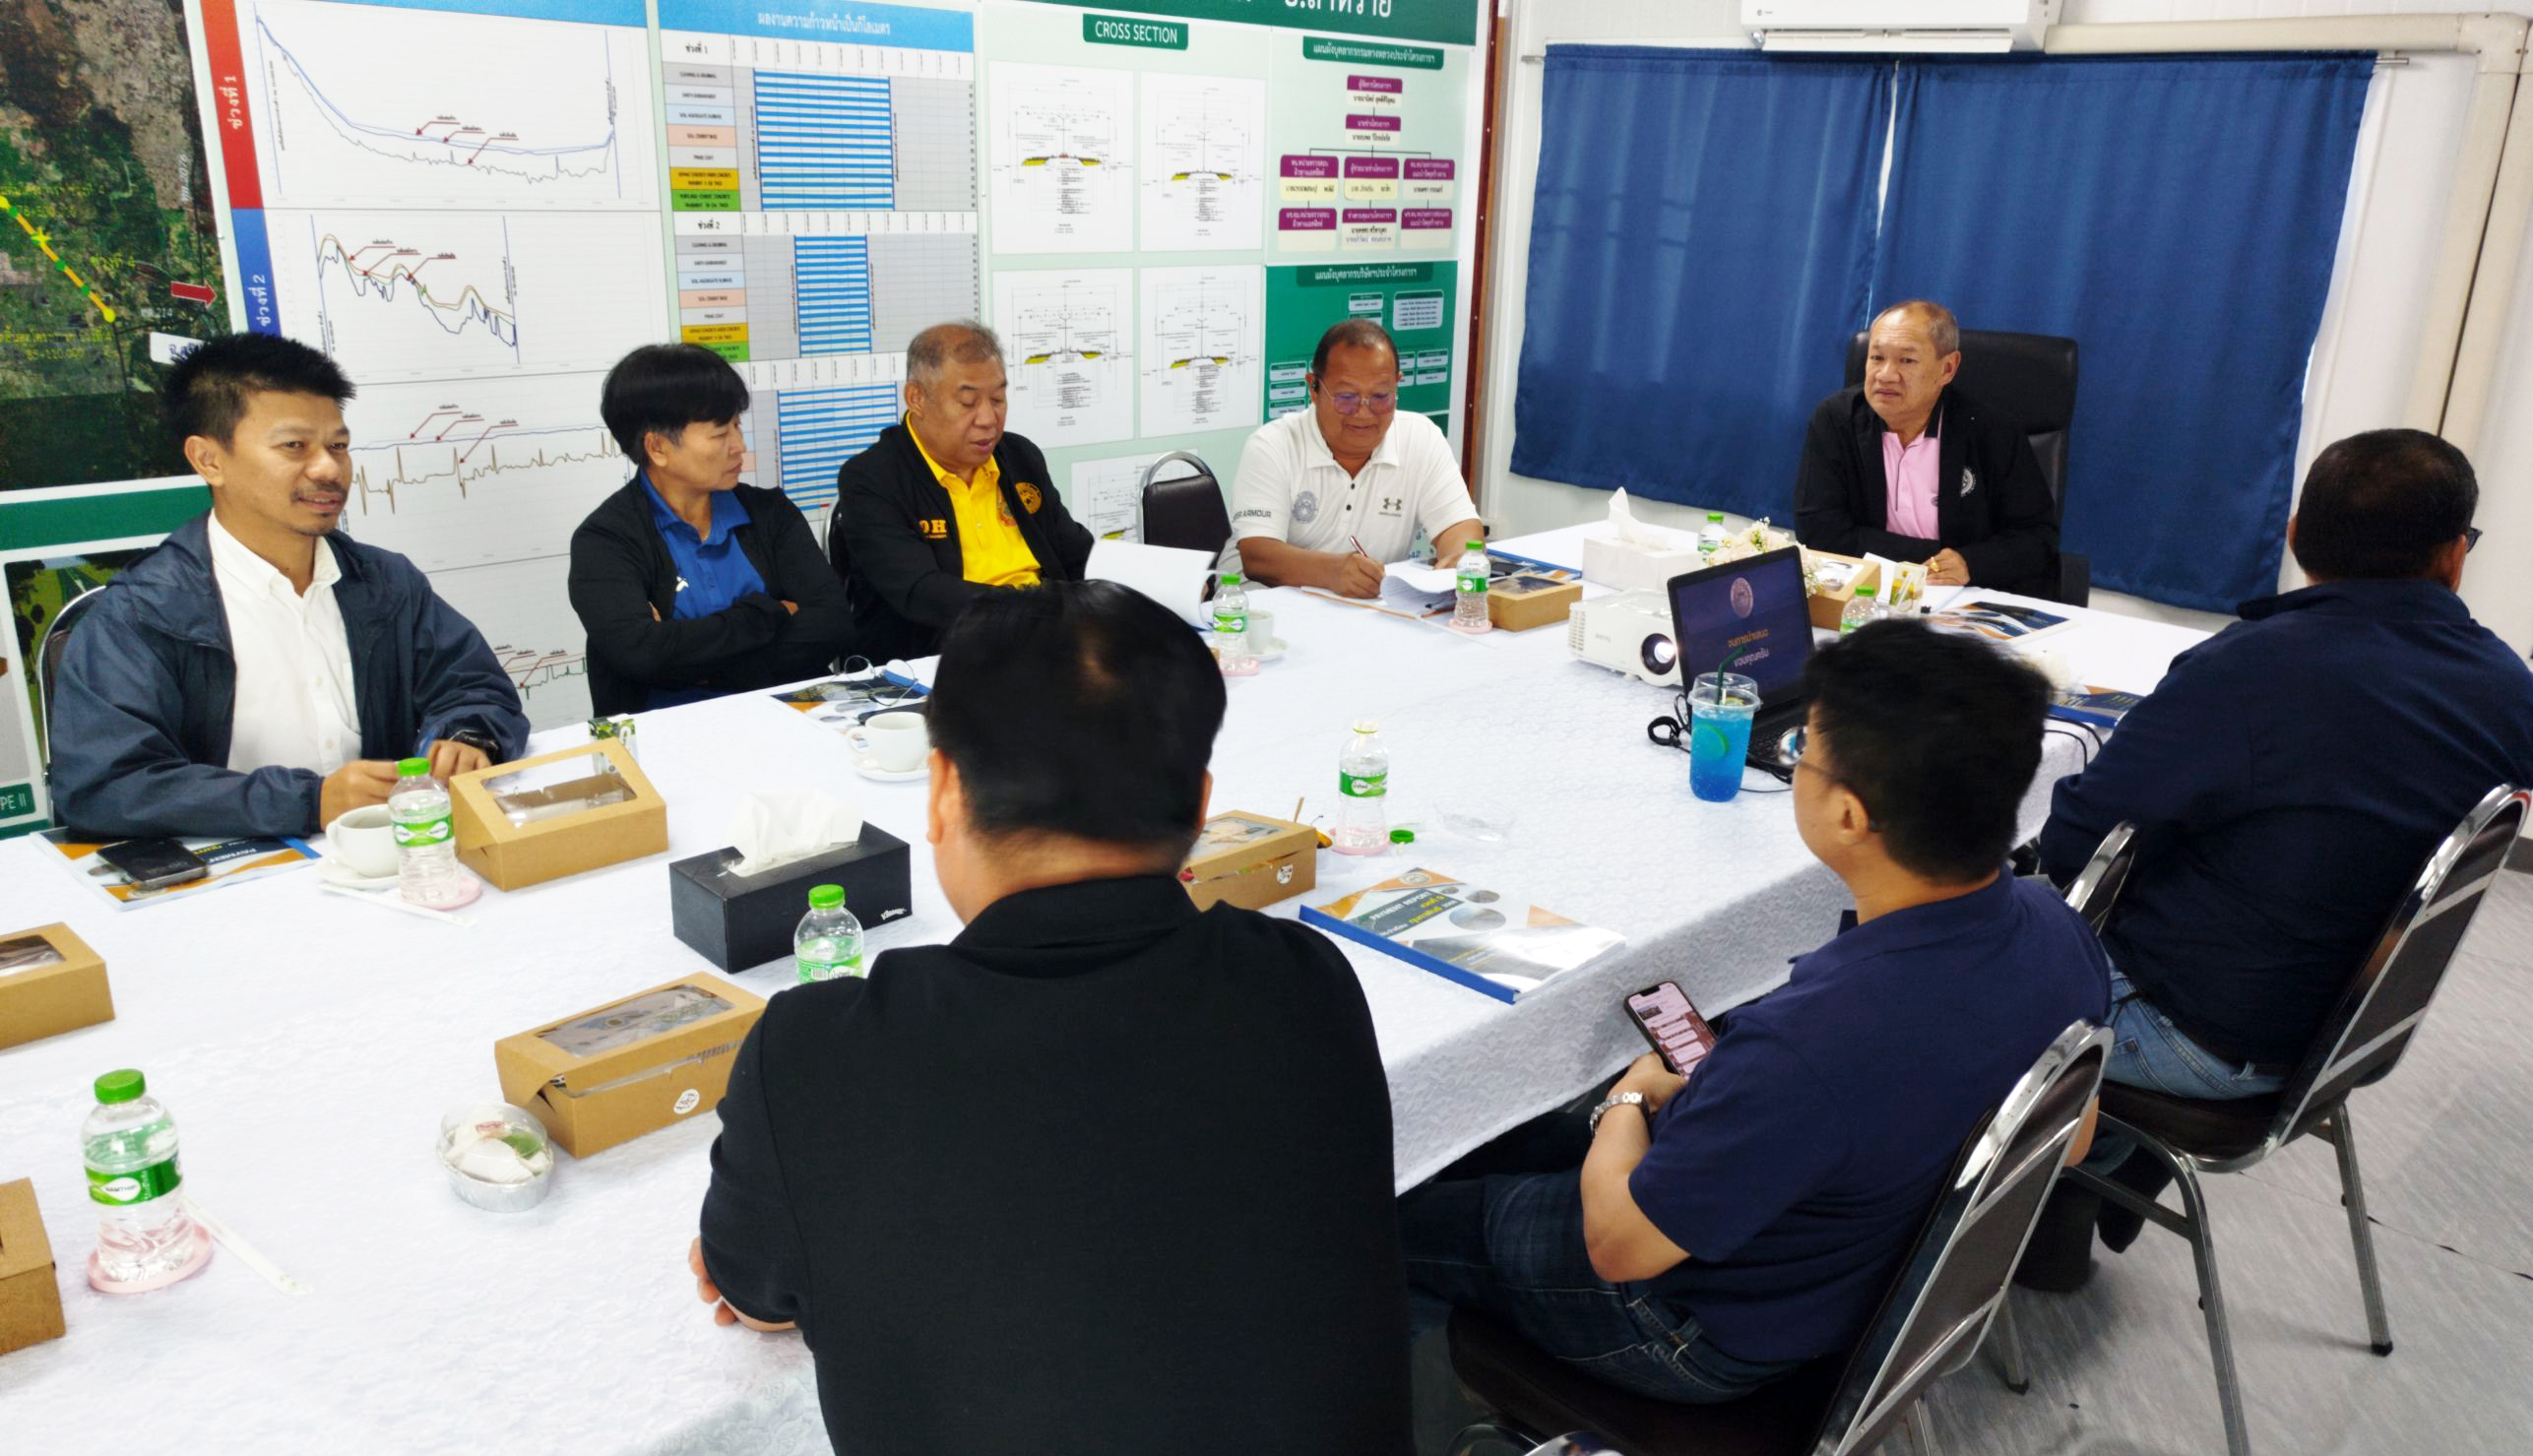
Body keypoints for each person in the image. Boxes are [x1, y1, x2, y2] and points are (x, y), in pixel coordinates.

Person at [691, 580, 1412, 1454]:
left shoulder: (816, 1055)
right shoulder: (1306, 980)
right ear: (1200, 803)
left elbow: (749, 1285)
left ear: (942, 789)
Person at [1397, 621, 2108, 1402]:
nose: (1795, 762)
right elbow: (2072, 1142)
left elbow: (1619, 1247)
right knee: (1503, 1142)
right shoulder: (2061, 933)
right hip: (1856, 1267)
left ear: (1849, 814)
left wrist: (1625, 1098)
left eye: (1803, 748)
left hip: (1698, 1326)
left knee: (1386, 1213)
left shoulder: (1811, 1043)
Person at [2024, 429, 2533, 1286]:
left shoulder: (2248, 671)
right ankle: (2081, 1191)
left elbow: (2074, 842)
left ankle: (1965, 1233)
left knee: (1932, 966)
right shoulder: (2516, 699)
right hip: (2340, 1030)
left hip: (2209, 1035)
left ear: (2297, 534)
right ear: (2455, 556)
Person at [49, 333, 528, 840]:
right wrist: (309, 802)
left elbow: (475, 689)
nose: (328, 468)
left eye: (338, 446)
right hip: (233, 871)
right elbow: (106, 785)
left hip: (391, 853)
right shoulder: (142, 613)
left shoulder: (385, 583)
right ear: (209, 460)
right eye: (294, 446)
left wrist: (467, 737)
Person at [567, 344, 851, 714]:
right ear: (657, 447)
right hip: (671, 726)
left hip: (792, 713)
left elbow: (832, 622)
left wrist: (700, 666)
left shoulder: (770, 512)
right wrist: (770, 613)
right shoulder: (605, 540)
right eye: (720, 434)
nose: (740, 446)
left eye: (737, 426)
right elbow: (643, 654)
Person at [831, 322, 1093, 662]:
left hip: (1044, 643)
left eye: (997, 399)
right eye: (968, 403)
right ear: (917, 398)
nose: (988, 419)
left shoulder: (1019, 457)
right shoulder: (872, 478)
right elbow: (923, 593)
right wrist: (1039, 612)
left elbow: (1077, 553)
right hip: (943, 656)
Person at [1790, 300, 2058, 593]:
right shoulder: (1837, 420)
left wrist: (1970, 563)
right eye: (1877, 357)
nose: (1885, 375)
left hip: (1966, 594)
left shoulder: (1993, 431)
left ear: (1948, 368)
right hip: (1869, 589)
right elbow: (1818, 530)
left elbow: (2037, 537)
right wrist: (1932, 558)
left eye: (1907, 360)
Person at [1229, 318, 1485, 597]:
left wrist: (1459, 559)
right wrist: (1331, 572)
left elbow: (1460, 526)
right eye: (1346, 397)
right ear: (1314, 388)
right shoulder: (1273, 445)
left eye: (1381, 396)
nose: (1363, 412)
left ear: (1397, 385)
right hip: (1260, 605)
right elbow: (1258, 556)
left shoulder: (1421, 438)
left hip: (1366, 607)